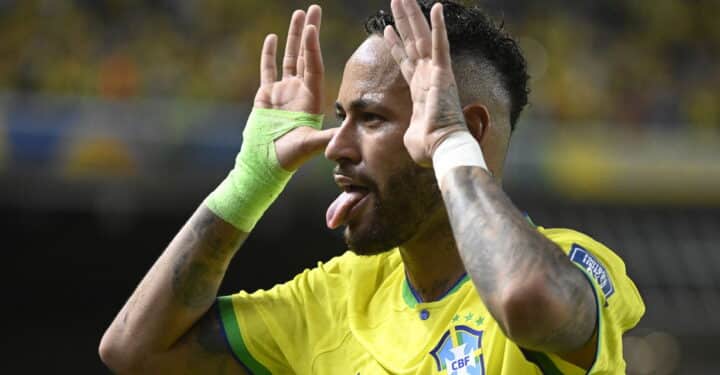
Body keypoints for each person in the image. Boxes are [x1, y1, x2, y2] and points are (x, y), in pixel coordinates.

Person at [99, 0, 644, 374]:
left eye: (372, 118)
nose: (336, 145)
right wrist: (249, 183)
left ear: (468, 127)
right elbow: (134, 351)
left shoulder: (571, 263)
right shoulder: (337, 295)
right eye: (341, 117)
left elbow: (527, 301)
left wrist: (450, 146)